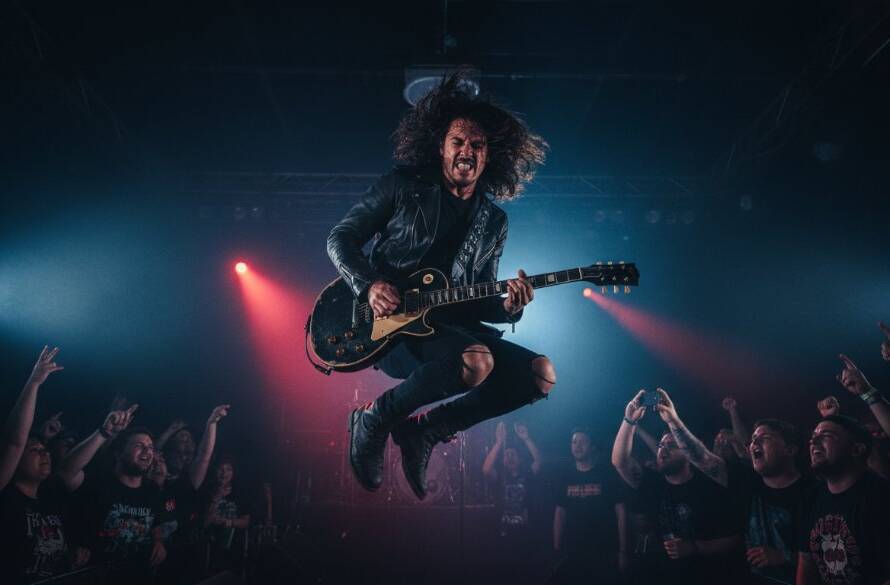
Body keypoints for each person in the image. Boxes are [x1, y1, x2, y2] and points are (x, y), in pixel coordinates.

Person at [327, 70, 553, 499]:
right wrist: (369, 283)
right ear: (441, 147)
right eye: (458, 141)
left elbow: (482, 295)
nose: (467, 150)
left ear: (490, 157)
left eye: (477, 145)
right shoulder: (402, 186)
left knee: (540, 375)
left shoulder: (493, 221)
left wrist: (510, 306)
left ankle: (426, 432)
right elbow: (340, 238)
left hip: (456, 333)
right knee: (476, 360)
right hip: (394, 329)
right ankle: (375, 419)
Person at [611, 389, 743, 585]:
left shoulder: (711, 481)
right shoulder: (654, 483)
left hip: (712, 575)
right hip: (666, 575)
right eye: (661, 446)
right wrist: (629, 420)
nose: (662, 450)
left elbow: (736, 540)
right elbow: (620, 462)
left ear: (688, 454)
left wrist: (694, 548)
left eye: (671, 446)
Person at [797, 415, 890, 585]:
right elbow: (806, 562)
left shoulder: (881, 498)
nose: (814, 441)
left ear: (857, 449)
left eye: (827, 436)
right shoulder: (811, 496)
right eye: (813, 437)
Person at [77, 422, 167, 581]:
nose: (147, 451)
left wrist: (159, 542)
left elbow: (156, 525)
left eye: (151, 447)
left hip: (137, 576)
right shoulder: (99, 484)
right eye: (139, 445)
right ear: (119, 453)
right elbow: (66, 473)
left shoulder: (152, 490)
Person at [549, 427, 626, 585]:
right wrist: (556, 549)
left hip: (604, 551)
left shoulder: (607, 474)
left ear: (592, 447)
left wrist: (623, 550)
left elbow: (621, 512)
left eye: (582, 442)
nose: (577, 446)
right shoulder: (565, 476)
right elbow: (560, 512)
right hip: (573, 551)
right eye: (574, 442)